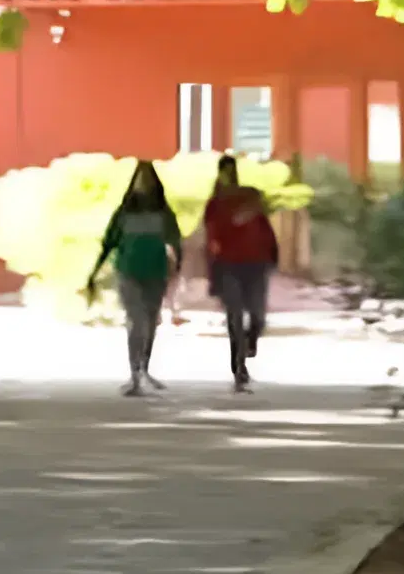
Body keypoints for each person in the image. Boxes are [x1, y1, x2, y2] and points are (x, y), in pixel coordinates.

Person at [86, 161, 182, 395]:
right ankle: (135, 374)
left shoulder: (163, 213)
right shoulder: (124, 213)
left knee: (150, 323)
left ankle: (144, 369)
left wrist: (177, 266)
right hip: (129, 272)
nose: (144, 185)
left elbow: (176, 241)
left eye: (148, 179)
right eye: (140, 179)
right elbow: (109, 242)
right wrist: (94, 272)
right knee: (136, 321)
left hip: (156, 273)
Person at [198, 155, 280, 391]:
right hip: (228, 265)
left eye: (231, 170)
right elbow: (211, 237)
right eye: (224, 171)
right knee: (234, 316)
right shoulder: (215, 204)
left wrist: (273, 254)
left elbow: (265, 227)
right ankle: (239, 366)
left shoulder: (249, 196)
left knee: (257, 316)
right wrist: (212, 269)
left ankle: (250, 341)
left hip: (256, 263)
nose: (228, 175)